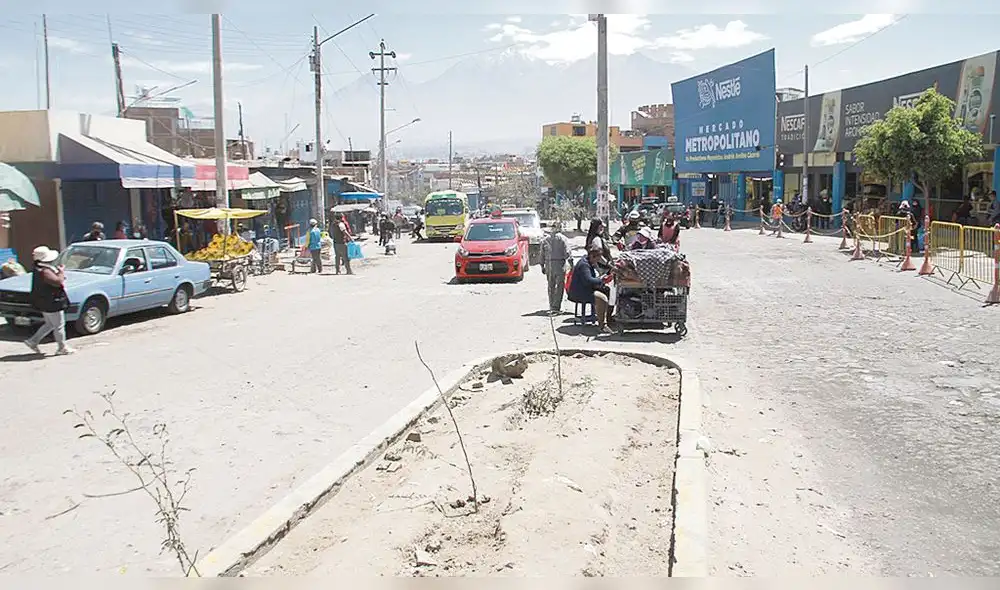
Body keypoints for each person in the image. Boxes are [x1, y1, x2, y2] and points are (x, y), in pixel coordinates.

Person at [24, 246, 75, 356]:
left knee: (50, 324)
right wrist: (61, 272)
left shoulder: (39, 268)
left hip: (44, 301)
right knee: (59, 325)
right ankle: (62, 347)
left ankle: (33, 341)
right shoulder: (45, 270)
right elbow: (57, 281)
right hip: (51, 302)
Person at [568, 244, 613, 333]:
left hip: (586, 289)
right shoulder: (584, 265)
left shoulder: (589, 262)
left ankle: (608, 318)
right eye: (597, 258)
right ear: (592, 256)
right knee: (602, 298)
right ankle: (602, 325)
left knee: (608, 291)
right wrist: (601, 280)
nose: (598, 261)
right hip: (580, 292)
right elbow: (588, 281)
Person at [541, 222, 572, 313]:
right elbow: (567, 253)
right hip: (559, 264)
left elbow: (541, 254)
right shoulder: (563, 239)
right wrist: (572, 264)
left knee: (551, 285)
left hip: (549, 264)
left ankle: (552, 304)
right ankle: (556, 305)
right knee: (559, 286)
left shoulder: (546, 239)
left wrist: (542, 265)